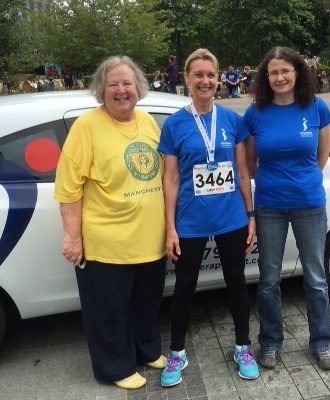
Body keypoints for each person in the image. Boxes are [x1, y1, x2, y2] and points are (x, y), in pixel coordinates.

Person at [54, 56, 168, 390]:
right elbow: (69, 188)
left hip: (150, 239)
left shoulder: (148, 121)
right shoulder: (87, 127)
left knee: (146, 303)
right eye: (113, 84)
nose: (121, 90)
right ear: (101, 89)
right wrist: (72, 238)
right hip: (107, 242)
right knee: (108, 311)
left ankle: (146, 350)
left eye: (127, 83)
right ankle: (114, 367)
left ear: (138, 88)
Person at [158, 48, 258, 387]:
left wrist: (251, 215)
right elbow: (171, 179)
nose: (205, 81)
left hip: (231, 217)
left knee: (237, 282)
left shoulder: (232, 120)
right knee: (184, 286)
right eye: (198, 75)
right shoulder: (174, 125)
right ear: (187, 79)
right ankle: (176, 352)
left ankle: (243, 346)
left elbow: (242, 173)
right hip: (190, 220)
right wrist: (170, 227)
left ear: (219, 79)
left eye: (211, 75)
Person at [244, 46, 330, 372]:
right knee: (269, 279)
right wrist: (276, 184)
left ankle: (321, 342)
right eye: (274, 72)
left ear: (298, 72)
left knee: (316, 278)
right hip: (269, 206)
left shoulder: (317, 108)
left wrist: (302, 182)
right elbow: (251, 164)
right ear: (266, 77)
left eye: (285, 70)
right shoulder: (255, 113)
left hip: (309, 203)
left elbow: (322, 155)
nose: (280, 77)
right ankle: (270, 342)